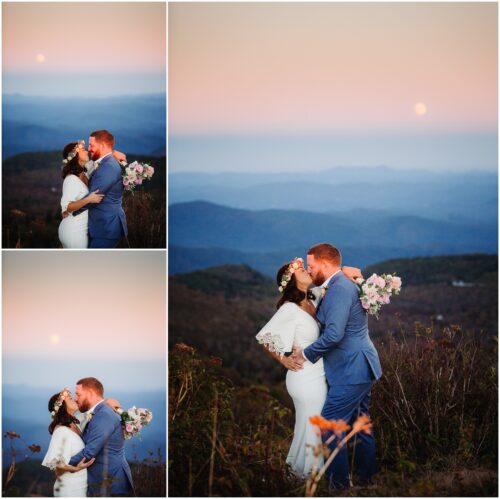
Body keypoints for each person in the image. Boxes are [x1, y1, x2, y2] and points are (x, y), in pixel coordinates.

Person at [255, 257, 361, 477]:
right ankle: (316, 474)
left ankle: (302, 472)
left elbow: (333, 284)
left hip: (318, 372)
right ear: (293, 280)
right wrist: (283, 359)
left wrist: (351, 275)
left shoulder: (312, 297)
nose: (307, 270)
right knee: (317, 422)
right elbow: (265, 338)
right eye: (302, 270)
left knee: (311, 423)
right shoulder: (290, 309)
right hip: (304, 377)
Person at [292, 243, 382, 489]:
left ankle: (339, 487)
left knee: (330, 425)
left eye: (311, 266)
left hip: (352, 370)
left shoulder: (341, 288)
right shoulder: (336, 284)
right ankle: (367, 482)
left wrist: (305, 354)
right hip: (359, 367)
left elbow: (334, 335)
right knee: (359, 426)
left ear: (325, 263)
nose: (309, 270)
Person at [68, 377, 134, 497]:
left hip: (112, 482)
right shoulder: (99, 412)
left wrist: (61, 463)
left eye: (78, 395)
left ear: (91, 393)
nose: (75, 399)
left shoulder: (104, 415)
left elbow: (89, 452)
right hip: (103, 481)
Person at [58, 141, 127, 248]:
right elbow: (67, 207)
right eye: (82, 150)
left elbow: (103, 164)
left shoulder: (85, 173)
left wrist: (113, 154)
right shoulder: (71, 179)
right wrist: (88, 199)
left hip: (84, 229)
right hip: (74, 230)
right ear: (75, 155)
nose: (87, 151)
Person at [42, 388, 95, 496]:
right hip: (70, 488)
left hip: (82, 484)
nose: (74, 399)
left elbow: (94, 411)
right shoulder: (61, 430)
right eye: (70, 399)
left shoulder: (75, 422)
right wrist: (76, 468)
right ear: (62, 406)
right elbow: (54, 461)